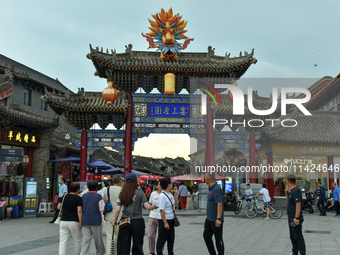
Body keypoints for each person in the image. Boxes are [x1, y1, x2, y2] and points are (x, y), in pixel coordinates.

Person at [112, 173, 156, 255]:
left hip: (125, 221)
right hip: (138, 221)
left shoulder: (122, 193)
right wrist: (152, 207)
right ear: (135, 181)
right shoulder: (140, 193)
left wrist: (114, 220)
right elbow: (146, 206)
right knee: (138, 245)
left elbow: (118, 209)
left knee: (123, 246)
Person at [80, 180, 105, 255]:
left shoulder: (83, 196)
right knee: (98, 240)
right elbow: (102, 209)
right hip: (96, 220)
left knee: (86, 240)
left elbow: (81, 208)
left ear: (88, 187)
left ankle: (83, 253)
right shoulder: (98, 196)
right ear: (97, 187)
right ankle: (100, 252)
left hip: (85, 220)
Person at [58, 182, 83, 255]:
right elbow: (79, 210)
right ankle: (78, 253)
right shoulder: (78, 198)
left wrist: (65, 210)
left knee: (62, 241)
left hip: (63, 221)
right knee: (77, 240)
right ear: (78, 190)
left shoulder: (64, 196)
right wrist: (80, 222)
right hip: (74, 221)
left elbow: (59, 207)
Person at [203, 173, 224, 255]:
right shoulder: (210, 189)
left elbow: (220, 204)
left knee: (218, 240)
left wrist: (218, 219)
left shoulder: (216, 189)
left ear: (208, 179)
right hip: (209, 219)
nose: (204, 179)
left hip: (216, 219)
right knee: (206, 236)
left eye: (205, 177)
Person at [285, 174, 306, 255]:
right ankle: (295, 252)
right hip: (291, 218)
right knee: (293, 237)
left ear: (288, 181)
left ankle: (302, 253)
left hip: (295, 218)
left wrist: (296, 218)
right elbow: (290, 202)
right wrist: (286, 193)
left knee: (298, 237)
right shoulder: (292, 191)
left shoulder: (296, 190)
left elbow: (298, 204)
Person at [103, 175, 123, 254]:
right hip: (120, 216)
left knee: (109, 237)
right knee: (119, 237)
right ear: (120, 181)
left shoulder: (107, 189)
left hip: (109, 215)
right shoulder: (122, 190)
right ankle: (117, 252)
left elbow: (105, 200)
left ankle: (110, 253)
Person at [156, 177, 176, 255]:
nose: (172, 184)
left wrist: (176, 193)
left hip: (171, 219)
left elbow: (175, 204)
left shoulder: (170, 194)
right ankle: (159, 253)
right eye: (171, 183)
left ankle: (170, 253)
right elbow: (162, 210)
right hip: (164, 220)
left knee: (171, 239)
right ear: (168, 185)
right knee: (162, 239)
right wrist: (165, 223)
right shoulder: (162, 196)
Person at [148, 180, 162, 255]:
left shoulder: (165, 194)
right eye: (159, 185)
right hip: (152, 216)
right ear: (156, 186)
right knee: (150, 235)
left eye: (162, 185)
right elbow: (149, 204)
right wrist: (152, 207)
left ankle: (160, 251)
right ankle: (151, 251)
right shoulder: (153, 194)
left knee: (161, 236)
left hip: (161, 217)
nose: (160, 186)